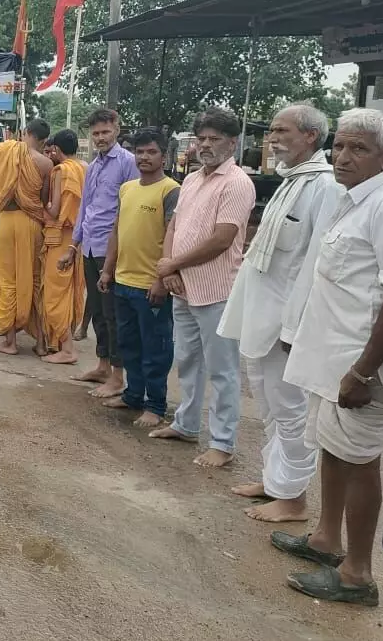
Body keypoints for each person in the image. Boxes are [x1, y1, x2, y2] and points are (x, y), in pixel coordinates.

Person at [272, 108, 383, 608]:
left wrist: (362, 372)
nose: (343, 156)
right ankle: (327, 540)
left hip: (360, 369)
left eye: (359, 149)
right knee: (332, 450)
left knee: (360, 462)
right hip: (331, 360)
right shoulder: (352, 200)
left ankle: (357, 574)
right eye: (340, 146)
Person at [218, 104, 339, 522]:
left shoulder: (324, 186)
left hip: (288, 321)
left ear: (310, 135)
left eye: (281, 130)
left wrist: (295, 324)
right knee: (269, 404)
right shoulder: (293, 180)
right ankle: (275, 482)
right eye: (272, 130)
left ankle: (293, 498)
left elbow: (316, 263)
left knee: (291, 409)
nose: (272, 138)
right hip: (262, 315)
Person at [149, 107, 255, 468]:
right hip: (182, 286)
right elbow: (174, 227)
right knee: (187, 360)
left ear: (232, 143)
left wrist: (173, 265)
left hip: (216, 291)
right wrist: (169, 267)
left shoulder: (237, 183)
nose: (206, 145)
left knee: (223, 370)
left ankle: (222, 443)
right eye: (202, 138)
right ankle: (186, 424)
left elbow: (222, 239)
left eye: (214, 139)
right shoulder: (193, 179)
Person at [97, 131, 180, 428]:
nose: (144, 157)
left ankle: (155, 406)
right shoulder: (127, 188)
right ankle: (132, 395)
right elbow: (117, 231)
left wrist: (162, 279)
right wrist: (108, 270)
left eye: (151, 152)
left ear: (163, 157)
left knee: (155, 349)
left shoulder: (171, 190)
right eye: (139, 152)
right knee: (128, 344)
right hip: (122, 281)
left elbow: (173, 237)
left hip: (150, 287)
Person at [57, 109, 139, 397]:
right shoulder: (93, 166)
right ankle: (102, 366)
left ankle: (118, 376)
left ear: (116, 129)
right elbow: (86, 207)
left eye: (105, 132)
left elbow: (131, 208)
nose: (101, 138)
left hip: (112, 249)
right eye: (96, 133)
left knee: (113, 314)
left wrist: (119, 251)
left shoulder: (128, 163)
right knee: (98, 313)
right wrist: (73, 246)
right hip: (90, 247)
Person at [0, 119, 52, 355]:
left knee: (7, 279)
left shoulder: (6, 150)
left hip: (9, 220)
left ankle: (10, 342)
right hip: (33, 223)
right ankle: (41, 344)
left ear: (25, 132)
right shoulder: (46, 163)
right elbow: (44, 199)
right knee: (35, 279)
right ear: (44, 140)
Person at [40, 129, 86, 364]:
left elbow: (56, 209)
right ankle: (58, 343)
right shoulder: (85, 168)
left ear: (56, 149)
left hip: (59, 238)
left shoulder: (61, 171)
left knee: (54, 293)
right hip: (78, 239)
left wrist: (41, 205)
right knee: (70, 291)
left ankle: (67, 349)